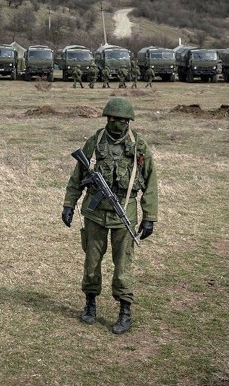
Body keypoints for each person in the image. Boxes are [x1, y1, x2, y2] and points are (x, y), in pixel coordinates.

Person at [61, 97, 158, 335]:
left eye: (122, 120)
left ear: (129, 122)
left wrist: (149, 217)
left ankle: (125, 311)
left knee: (123, 265)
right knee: (92, 262)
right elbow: (77, 176)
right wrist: (69, 204)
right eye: (113, 119)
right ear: (107, 118)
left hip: (125, 212)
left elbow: (151, 183)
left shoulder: (139, 147)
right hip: (95, 214)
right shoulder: (95, 142)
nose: (117, 124)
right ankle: (90, 304)